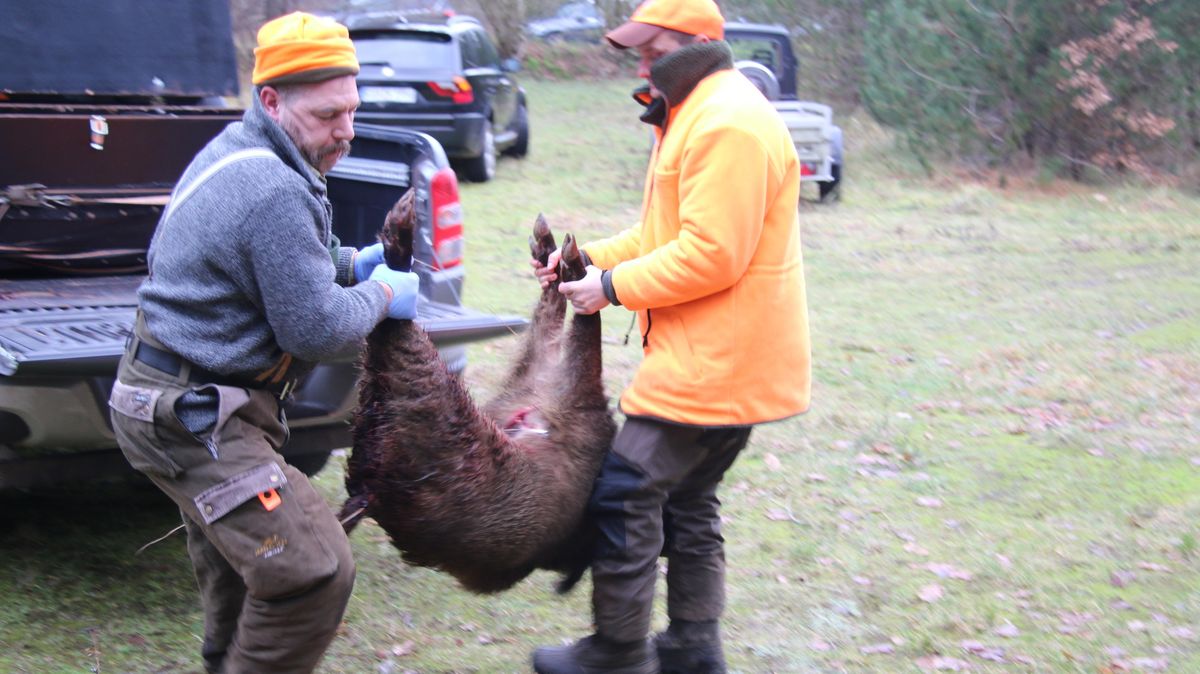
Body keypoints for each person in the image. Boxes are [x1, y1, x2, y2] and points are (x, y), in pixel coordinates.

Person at [107, 12, 419, 673]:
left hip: (184, 395)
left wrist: (349, 264)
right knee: (312, 571)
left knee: (243, 563)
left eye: (352, 110)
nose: (348, 131)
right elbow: (319, 330)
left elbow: (282, 257)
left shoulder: (246, 150)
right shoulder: (272, 185)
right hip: (190, 412)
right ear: (273, 100)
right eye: (330, 114)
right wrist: (383, 296)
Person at [529, 0, 811, 672]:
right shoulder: (692, 112)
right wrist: (588, 257)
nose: (642, 61)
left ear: (691, 40)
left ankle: (619, 653)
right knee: (687, 501)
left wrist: (613, 288)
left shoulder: (727, 121)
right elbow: (663, 236)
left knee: (625, 491)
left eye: (651, 48)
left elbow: (713, 254)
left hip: (718, 363)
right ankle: (691, 648)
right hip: (720, 358)